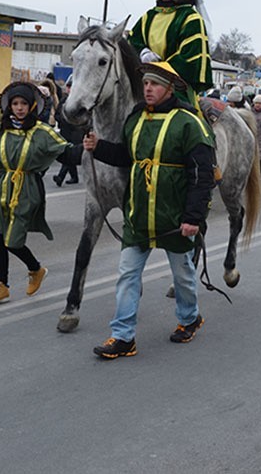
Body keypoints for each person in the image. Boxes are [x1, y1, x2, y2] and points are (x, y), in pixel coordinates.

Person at [83, 62, 215, 359]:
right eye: (145, 84)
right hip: (139, 217)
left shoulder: (189, 122)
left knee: (183, 276)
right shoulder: (136, 119)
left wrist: (194, 218)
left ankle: (190, 318)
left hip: (175, 218)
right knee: (127, 274)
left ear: (169, 87)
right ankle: (123, 336)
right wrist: (98, 147)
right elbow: (126, 156)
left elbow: (201, 174)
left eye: (154, 84)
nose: (148, 89)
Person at [0, 82, 80, 306]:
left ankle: (35, 268)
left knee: (13, 240)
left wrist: (87, 148)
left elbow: (65, 153)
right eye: (15, 103)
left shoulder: (41, 132)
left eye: (24, 104)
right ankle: (1, 286)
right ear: (9, 106)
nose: (19, 108)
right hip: (2, 189)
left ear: (32, 106)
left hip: (27, 190)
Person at [129, 0, 212, 109]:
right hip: (145, 83)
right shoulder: (148, 16)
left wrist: (160, 69)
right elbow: (132, 41)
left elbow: (189, 59)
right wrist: (143, 52)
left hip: (175, 87)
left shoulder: (190, 18)